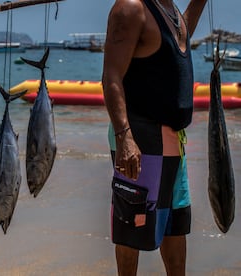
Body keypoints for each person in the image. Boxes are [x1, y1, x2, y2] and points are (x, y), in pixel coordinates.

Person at [102, 0, 207, 275]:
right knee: (132, 232)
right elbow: (111, 76)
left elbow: (181, 34)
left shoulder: (171, 14)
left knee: (175, 229)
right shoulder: (131, 8)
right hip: (139, 138)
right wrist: (124, 137)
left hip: (174, 140)